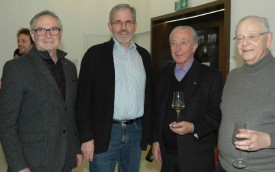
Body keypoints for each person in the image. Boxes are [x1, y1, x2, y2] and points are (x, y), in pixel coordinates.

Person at [0, 10, 83, 172]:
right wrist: (19, 165)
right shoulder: (16, 68)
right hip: (32, 162)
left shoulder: (70, 68)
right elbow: (6, 124)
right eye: (41, 30)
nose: (48, 35)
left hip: (65, 158)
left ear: (61, 33)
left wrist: (76, 148)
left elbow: (70, 112)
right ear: (32, 34)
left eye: (54, 29)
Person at [76, 3, 153, 172]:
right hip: (104, 133)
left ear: (135, 25)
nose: (123, 27)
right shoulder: (94, 55)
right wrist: (86, 137)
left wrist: (150, 134)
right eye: (118, 22)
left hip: (135, 132)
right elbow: (82, 101)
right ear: (110, 26)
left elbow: (149, 97)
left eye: (128, 22)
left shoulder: (144, 56)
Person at [151, 26, 223, 172]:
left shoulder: (211, 77)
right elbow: (155, 112)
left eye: (183, 42)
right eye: (173, 43)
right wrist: (155, 140)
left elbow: (216, 114)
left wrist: (193, 127)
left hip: (196, 156)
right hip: (168, 154)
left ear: (195, 46)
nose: (178, 48)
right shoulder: (162, 75)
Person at [217, 15, 275, 172]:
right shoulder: (233, 75)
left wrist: (267, 140)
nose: (244, 42)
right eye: (240, 37)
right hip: (224, 166)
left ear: (268, 39)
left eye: (252, 36)